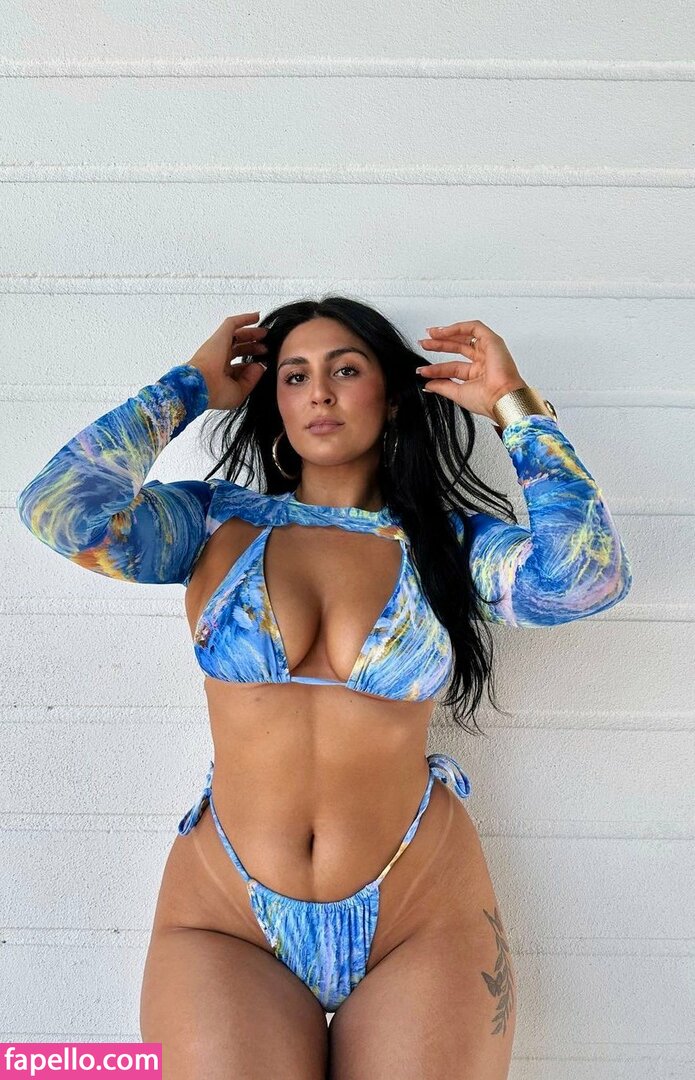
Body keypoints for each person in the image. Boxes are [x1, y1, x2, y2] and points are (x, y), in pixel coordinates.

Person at [16, 298, 632, 1079]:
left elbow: (581, 579)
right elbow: (60, 511)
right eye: (294, 375)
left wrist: (515, 409)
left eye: (345, 370)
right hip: (224, 917)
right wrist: (188, 387)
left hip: (419, 912)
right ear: (272, 399)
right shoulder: (211, 524)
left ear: (392, 396)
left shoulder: (449, 544)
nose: (319, 393)